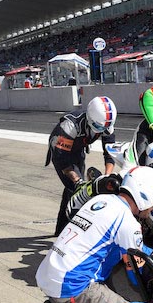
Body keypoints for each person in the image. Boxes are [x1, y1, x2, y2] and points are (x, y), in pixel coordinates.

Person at [36, 166, 153, 303]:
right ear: (146, 195)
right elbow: (136, 277)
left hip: (50, 272)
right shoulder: (128, 223)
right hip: (72, 288)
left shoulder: (102, 200)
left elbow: (127, 246)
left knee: (114, 265)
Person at [45, 96, 118, 236]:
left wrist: (106, 176)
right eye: (98, 127)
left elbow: (110, 153)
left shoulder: (105, 124)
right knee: (78, 190)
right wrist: (77, 181)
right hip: (60, 152)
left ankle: (60, 230)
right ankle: (73, 234)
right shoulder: (70, 126)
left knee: (73, 190)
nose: (100, 131)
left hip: (78, 149)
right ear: (90, 119)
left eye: (104, 128)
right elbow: (62, 159)